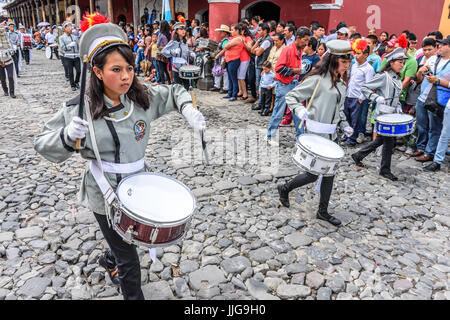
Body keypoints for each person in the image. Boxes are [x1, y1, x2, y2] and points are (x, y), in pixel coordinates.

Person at [33, 13, 206, 300]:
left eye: (130, 68)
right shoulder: (79, 109)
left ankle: (109, 259)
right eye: (116, 69)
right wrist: (66, 137)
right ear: (97, 72)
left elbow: (175, 92)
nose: (126, 76)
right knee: (130, 260)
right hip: (104, 192)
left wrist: (188, 108)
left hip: (139, 186)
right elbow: (41, 143)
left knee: (127, 241)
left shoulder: (141, 99)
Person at [277, 40, 353, 227]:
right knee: (312, 174)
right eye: (344, 62)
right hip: (315, 134)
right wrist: (299, 110)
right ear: (334, 60)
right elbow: (291, 96)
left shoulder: (341, 85)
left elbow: (339, 110)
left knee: (329, 173)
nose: (347, 66)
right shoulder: (318, 80)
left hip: (331, 136)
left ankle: (323, 211)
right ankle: (285, 188)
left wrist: (345, 124)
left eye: (348, 62)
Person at [351, 47, 408, 181]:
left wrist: (398, 106)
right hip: (383, 115)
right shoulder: (384, 76)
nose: (402, 65)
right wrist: (376, 98)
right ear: (391, 62)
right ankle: (385, 170)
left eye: (403, 62)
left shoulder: (397, 78)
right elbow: (365, 88)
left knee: (380, 140)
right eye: (399, 62)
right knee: (388, 143)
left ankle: (358, 155)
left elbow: (396, 96)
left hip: (391, 115)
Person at [266, 28, 311, 145]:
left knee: (298, 112)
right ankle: (270, 136)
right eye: (305, 40)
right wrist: (294, 70)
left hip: (294, 84)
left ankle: (300, 137)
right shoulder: (288, 49)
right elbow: (278, 68)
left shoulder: (299, 49)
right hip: (284, 85)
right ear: (298, 38)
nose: (306, 43)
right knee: (278, 112)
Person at [414, 36, 450, 163]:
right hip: (424, 96)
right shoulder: (434, 58)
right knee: (421, 125)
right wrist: (421, 70)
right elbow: (419, 76)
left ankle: (430, 152)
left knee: (434, 127)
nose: (440, 46)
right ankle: (421, 147)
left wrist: (438, 81)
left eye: (443, 44)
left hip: (439, 100)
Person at [344, 39, 375, 146]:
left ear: (366, 54)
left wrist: (362, 97)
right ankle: (347, 135)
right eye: (355, 53)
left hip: (358, 97)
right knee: (347, 117)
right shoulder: (354, 65)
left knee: (355, 120)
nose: (356, 56)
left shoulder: (368, 69)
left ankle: (352, 139)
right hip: (349, 95)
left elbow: (369, 85)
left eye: (358, 53)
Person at [161, 22, 196, 91]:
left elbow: (185, 53)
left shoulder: (184, 42)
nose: (183, 31)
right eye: (181, 29)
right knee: (178, 86)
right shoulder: (173, 42)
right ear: (176, 31)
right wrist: (173, 52)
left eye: (184, 29)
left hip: (185, 66)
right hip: (176, 67)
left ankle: (186, 99)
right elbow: (163, 51)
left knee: (187, 86)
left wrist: (190, 53)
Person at [251, 23, 273, 106]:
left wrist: (257, 49)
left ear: (265, 31)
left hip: (262, 65)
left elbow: (258, 53)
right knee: (258, 83)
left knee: (261, 84)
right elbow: (253, 51)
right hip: (258, 64)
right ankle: (259, 100)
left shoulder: (267, 40)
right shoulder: (260, 39)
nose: (258, 32)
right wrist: (257, 45)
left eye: (260, 30)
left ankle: (261, 102)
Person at [223, 24, 244, 102]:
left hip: (234, 59)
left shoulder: (238, 38)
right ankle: (230, 93)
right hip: (230, 60)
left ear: (237, 31)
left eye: (232, 30)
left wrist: (228, 44)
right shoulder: (233, 38)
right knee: (230, 78)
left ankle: (234, 95)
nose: (231, 31)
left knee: (233, 78)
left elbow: (226, 46)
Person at [59, 21, 81, 91]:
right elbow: (62, 48)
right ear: (65, 29)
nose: (71, 29)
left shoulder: (75, 37)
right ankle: (72, 85)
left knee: (79, 71)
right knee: (70, 72)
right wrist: (69, 46)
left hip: (76, 56)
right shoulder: (62, 38)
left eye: (71, 27)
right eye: (69, 27)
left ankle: (76, 82)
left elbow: (79, 46)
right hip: (68, 57)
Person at [211, 24, 230, 94]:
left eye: (221, 32)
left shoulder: (226, 40)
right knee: (218, 70)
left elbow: (225, 49)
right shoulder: (224, 40)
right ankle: (217, 85)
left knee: (224, 72)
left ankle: (225, 87)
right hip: (220, 57)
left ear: (225, 33)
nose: (220, 33)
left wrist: (218, 55)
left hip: (223, 57)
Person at [237, 23, 253, 101]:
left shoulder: (248, 38)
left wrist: (244, 42)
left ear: (243, 31)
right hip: (239, 58)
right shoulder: (238, 37)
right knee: (238, 76)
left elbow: (249, 48)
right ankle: (240, 91)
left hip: (245, 58)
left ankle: (245, 93)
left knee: (241, 76)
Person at [0, 25, 16, 98]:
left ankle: (12, 92)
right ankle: (5, 90)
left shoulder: (8, 39)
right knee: (2, 78)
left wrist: (10, 52)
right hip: (0, 62)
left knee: (10, 77)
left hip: (9, 60)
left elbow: (12, 49)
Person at [155, 20, 171, 84]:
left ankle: (163, 83)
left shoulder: (160, 34)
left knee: (161, 69)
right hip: (166, 54)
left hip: (160, 53)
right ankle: (169, 81)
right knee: (165, 69)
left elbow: (158, 45)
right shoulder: (169, 34)